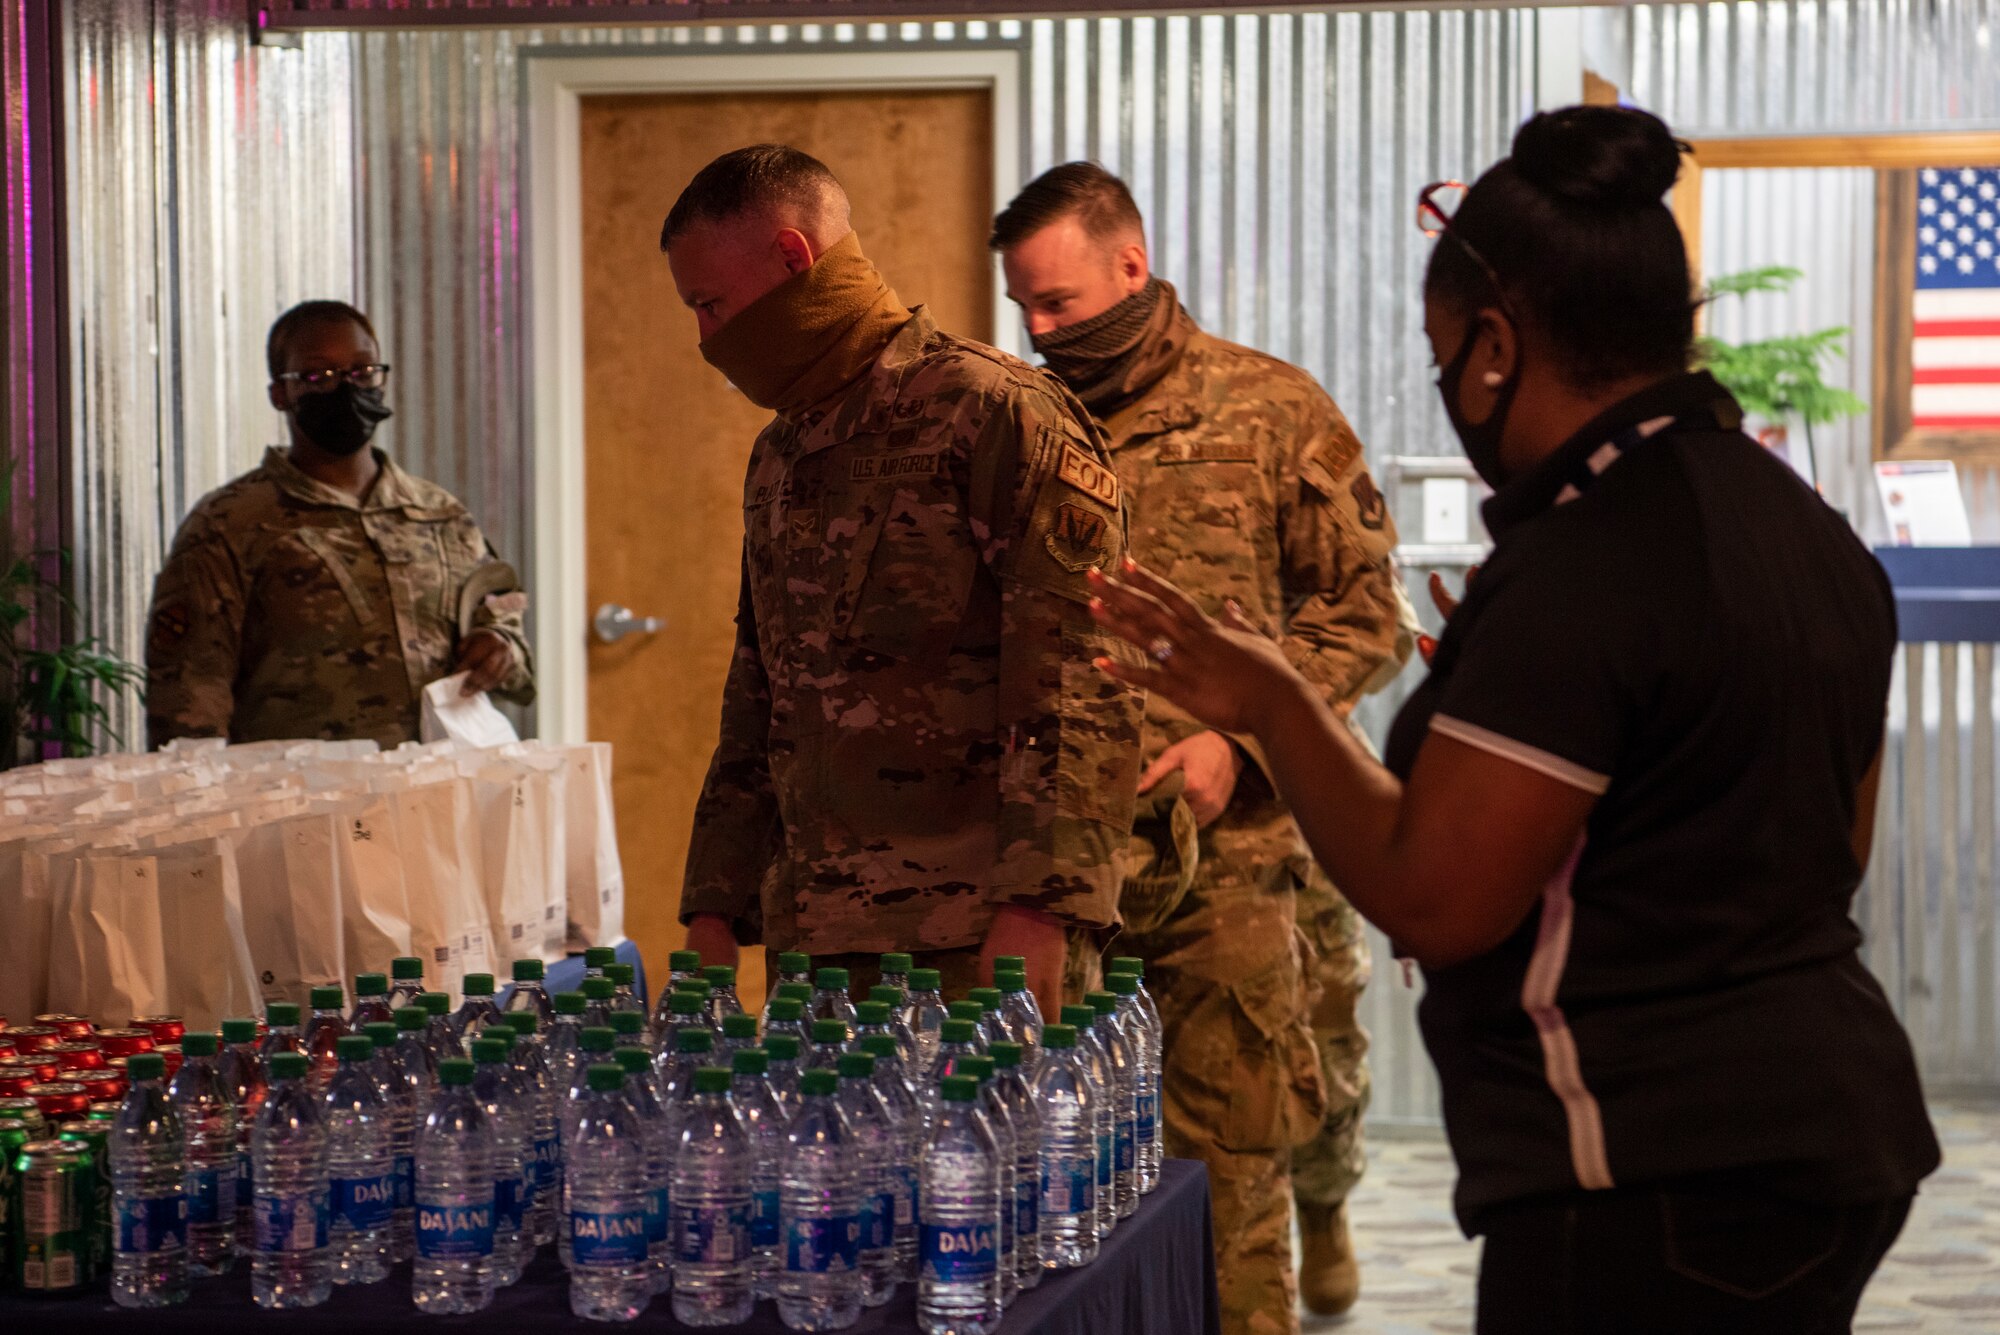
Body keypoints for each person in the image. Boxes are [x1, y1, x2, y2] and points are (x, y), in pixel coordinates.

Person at [1087, 105, 1939, 1334]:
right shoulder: (1794, 525)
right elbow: (1820, 854)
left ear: (1491, 348)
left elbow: (1433, 895)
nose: (1448, 391)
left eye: (1444, 358)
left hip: (1649, 1174)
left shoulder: (1586, 563)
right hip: (1828, 1134)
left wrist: (1268, 698)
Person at [990, 163, 1414, 1330]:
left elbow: (1364, 617)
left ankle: (1318, 1210)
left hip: (1234, 845)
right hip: (1066, 860)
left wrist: (1246, 740)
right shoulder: (1016, 431)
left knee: (1248, 1139)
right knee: (1064, 1167)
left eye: (1060, 301)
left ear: (1131, 264)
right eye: (1022, 306)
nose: (1039, 328)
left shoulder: (1270, 409)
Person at [663, 145, 1142, 1015]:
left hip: (972, 945)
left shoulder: (992, 411)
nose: (706, 337)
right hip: (815, 946)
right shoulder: (781, 452)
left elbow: (1083, 682)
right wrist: (713, 908)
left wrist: (1043, 908)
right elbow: (759, 694)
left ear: (794, 258)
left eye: (711, 304)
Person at [145, 300, 533, 750]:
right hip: (303, 803)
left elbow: (502, 623)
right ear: (280, 394)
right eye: (318, 376)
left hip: (434, 794)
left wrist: (499, 644)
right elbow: (188, 700)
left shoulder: (439, 515)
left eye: (362, 371)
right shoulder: (229, 524)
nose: (345, 388)